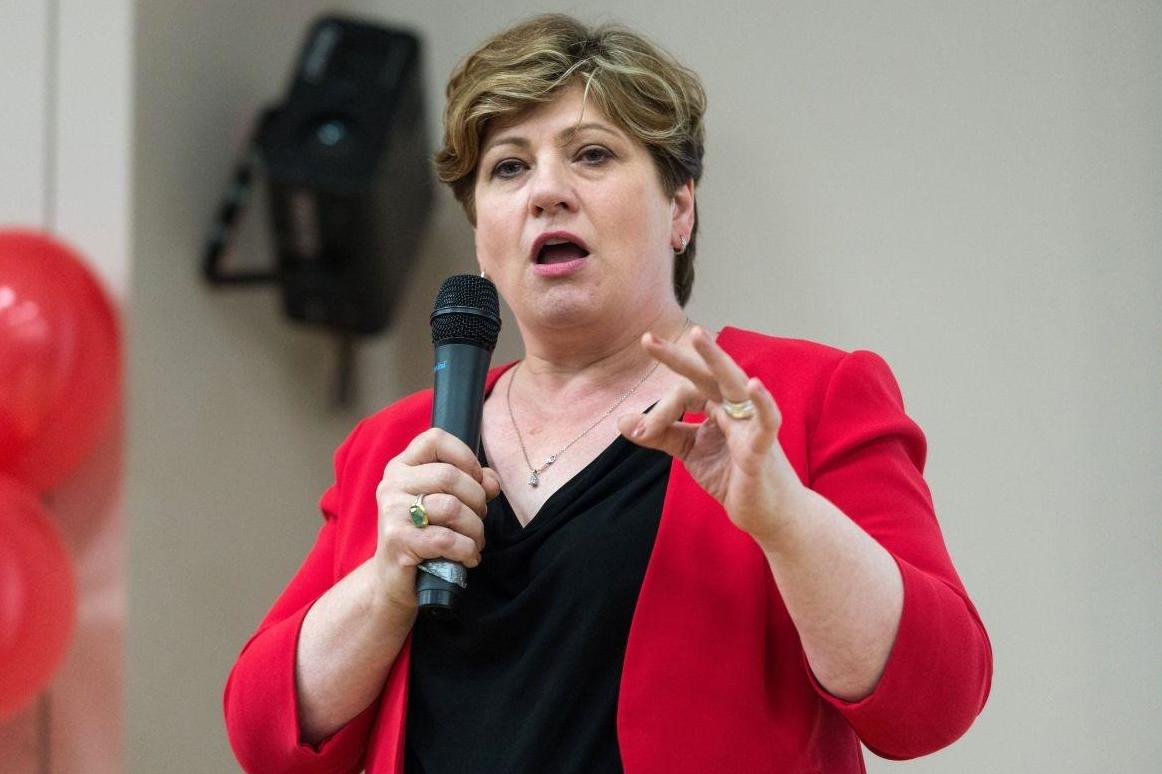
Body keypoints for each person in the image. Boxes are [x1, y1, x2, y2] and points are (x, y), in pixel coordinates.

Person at [224, 14, 991, 774]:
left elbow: (935, 702)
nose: (546, 192)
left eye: (592, 155)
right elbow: (267, 740)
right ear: (482, 233)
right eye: (509, 168)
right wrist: (385, 580)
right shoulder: (395, 449)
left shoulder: (804, 394)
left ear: (679, 211)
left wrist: (786, 520)